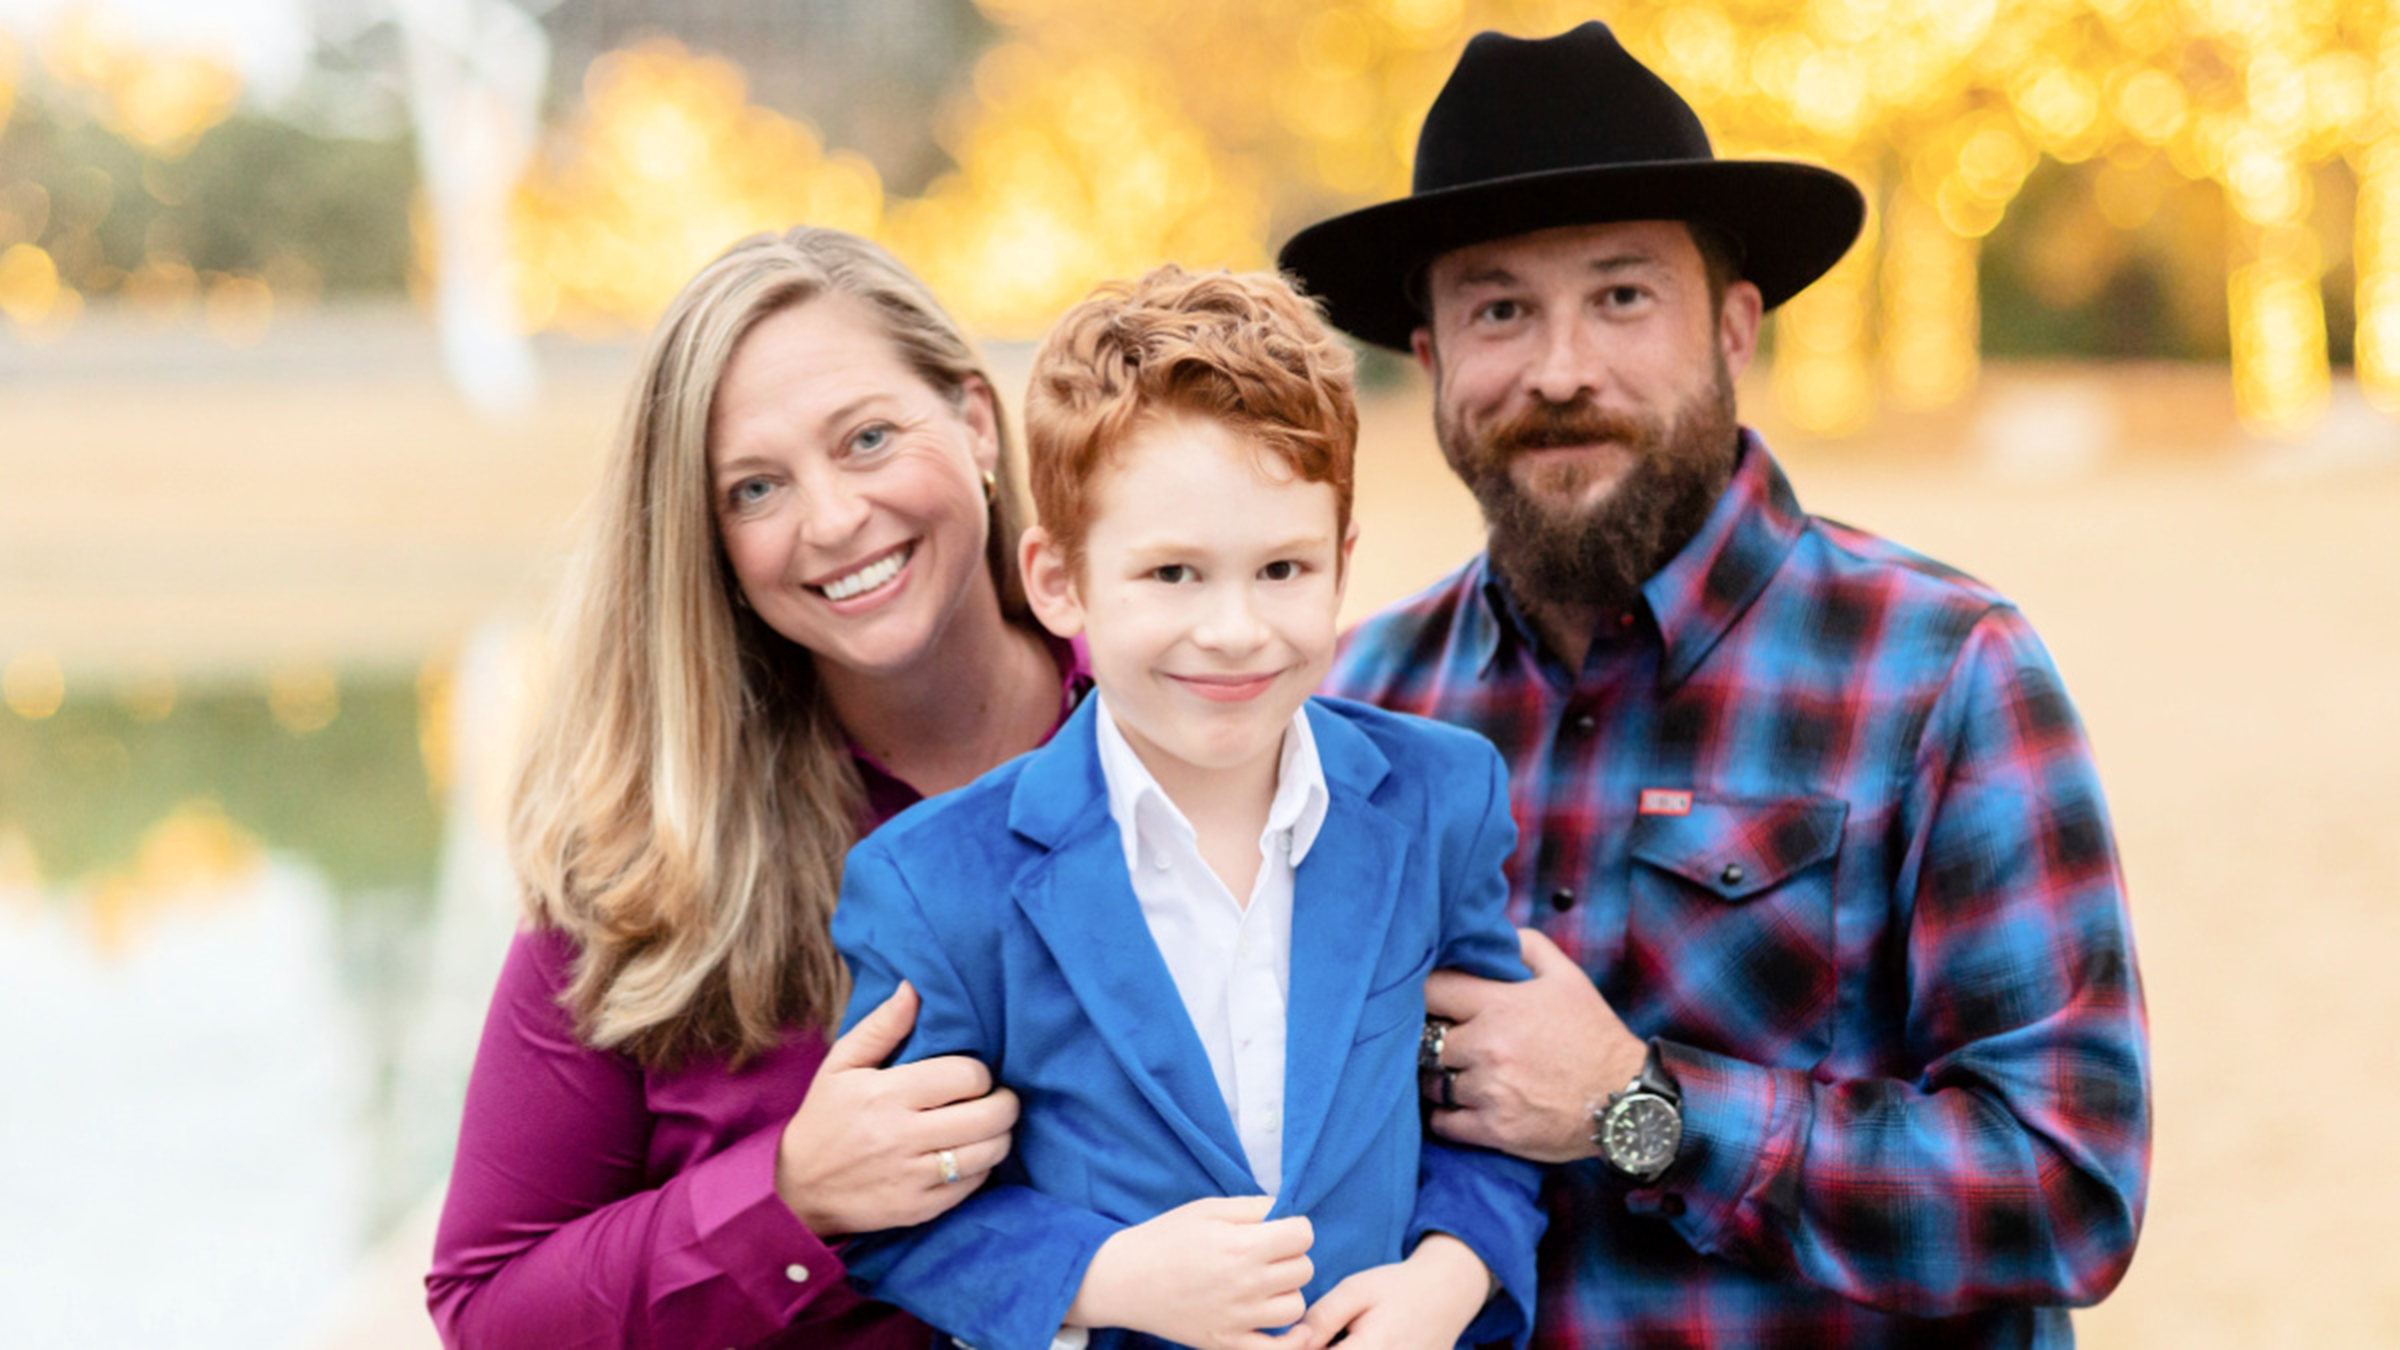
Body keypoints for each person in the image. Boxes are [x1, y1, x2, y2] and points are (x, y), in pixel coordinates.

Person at [1277, 21, 2150, 1348]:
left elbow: (2068, 1191)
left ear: (1734, 328)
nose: (1561, 369)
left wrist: (1644, 1108)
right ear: (1435, 356)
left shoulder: (1943, 670)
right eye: (1500, 307)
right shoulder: (1356, 702)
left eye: (1622, 296)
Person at [826, 266, 1546, 1350]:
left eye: (1282, 569)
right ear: (1061, 580)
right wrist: (1104, 1274)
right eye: (1171, 575)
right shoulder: (936, 885)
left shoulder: (1442, 797)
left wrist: (1446, 1279)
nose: (1234, 630)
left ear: (1341, 564)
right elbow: (896, 1216)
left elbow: (1493, 1107)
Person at [425, 226, 1091, 1347]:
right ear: (711, 541)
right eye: (754, 489)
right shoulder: (648, 861)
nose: (831, 522)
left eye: (868, 438)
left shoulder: (1180, 736)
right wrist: (790, 1197)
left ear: (976, 420)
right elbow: (488, 1311)